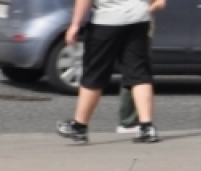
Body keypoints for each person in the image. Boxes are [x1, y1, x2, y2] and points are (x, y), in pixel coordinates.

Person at [56, 0, 160, 145]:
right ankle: (146, 127)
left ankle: (79, 126)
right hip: (139, 18)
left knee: (94, 72)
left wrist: (75, 25)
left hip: (107, 20)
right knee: (138, 72)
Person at [116, 0, 164, 133]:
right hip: (133, 30)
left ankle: (130, 120)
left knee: (132, 72)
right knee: (138, 74)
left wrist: (141, 12)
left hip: (135, 29)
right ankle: (129, 122)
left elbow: (159, 3)